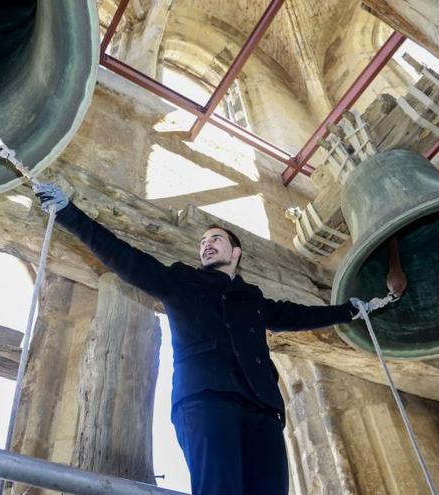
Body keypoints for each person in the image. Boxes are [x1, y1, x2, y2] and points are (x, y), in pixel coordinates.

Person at [33, 182, 373, 495]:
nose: (207, 245)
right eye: (203, 242)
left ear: (236, 253)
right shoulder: (180, 282)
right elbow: (125, 257)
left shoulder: (252, 299)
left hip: (263, 409)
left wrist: (350, 311)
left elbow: (300, 316)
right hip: (207, 402)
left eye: (215, 239)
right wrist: (68, 213)